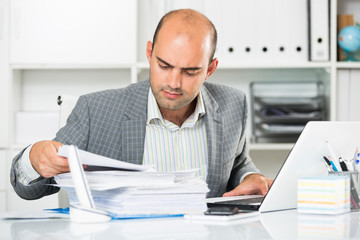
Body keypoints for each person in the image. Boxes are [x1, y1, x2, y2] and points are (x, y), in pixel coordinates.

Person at [10, 9, 273, 200]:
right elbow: (29, 187)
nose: (173, 82)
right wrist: (33, 159)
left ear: (210, 69)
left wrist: (248, 178)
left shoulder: (232, 104)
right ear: (149, 53)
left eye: (190, 71)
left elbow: (238, 164)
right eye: (164, 65)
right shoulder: (96, 110)